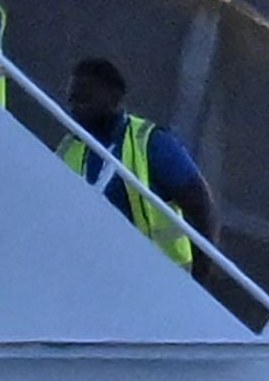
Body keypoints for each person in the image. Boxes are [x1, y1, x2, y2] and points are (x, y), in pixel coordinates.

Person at [54, 56, 216, 269]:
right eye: (72, 101)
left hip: (156, 278)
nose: (74, 109)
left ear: (115, 98)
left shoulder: (151, 143)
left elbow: (202, 208)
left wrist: (200, 276)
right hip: (91, 271)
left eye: (85, 101)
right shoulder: (69, 148)